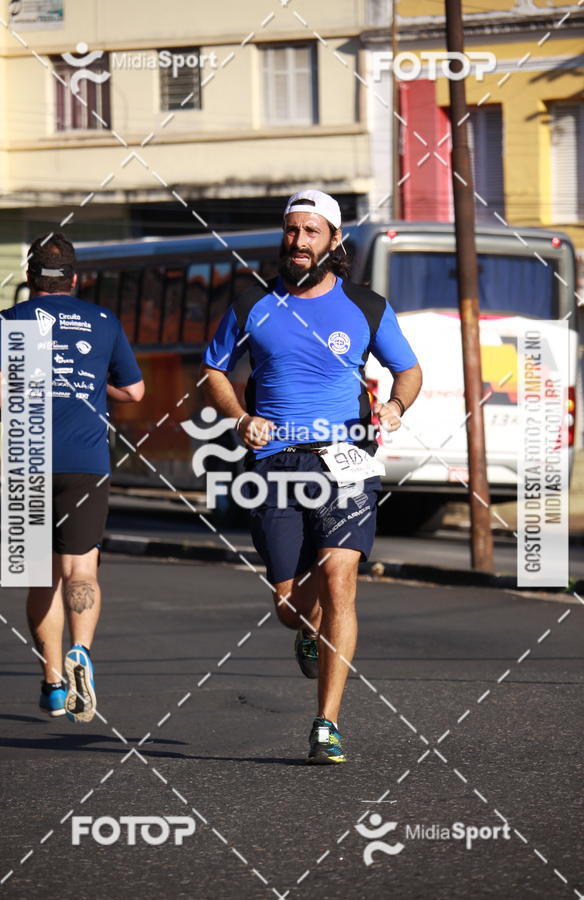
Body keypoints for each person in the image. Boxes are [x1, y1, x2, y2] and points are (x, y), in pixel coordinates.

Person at [202, 190, 422, 764]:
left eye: (311, 232)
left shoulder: (366, 307)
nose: (298, 242)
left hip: (345, 457)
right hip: (275, 462)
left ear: (334, 241)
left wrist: (396, 407)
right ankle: (306, 628)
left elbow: (408, 369)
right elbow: (214, 369)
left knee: (341, 582)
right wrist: (243, 418)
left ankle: (327, 723)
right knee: (289, 605)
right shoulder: (253, 303)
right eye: (292, 231)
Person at [0, 233, 144, 722]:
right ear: (74, 278)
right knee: (81, 571)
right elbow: (135, 391)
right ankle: (83, 652)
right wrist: (94, 385)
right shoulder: (102, 321)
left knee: (39, 574)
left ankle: (53, 683)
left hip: (28, 458)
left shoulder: (11, 321)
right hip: (85, 462)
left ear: (31, 278)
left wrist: (0, 410)